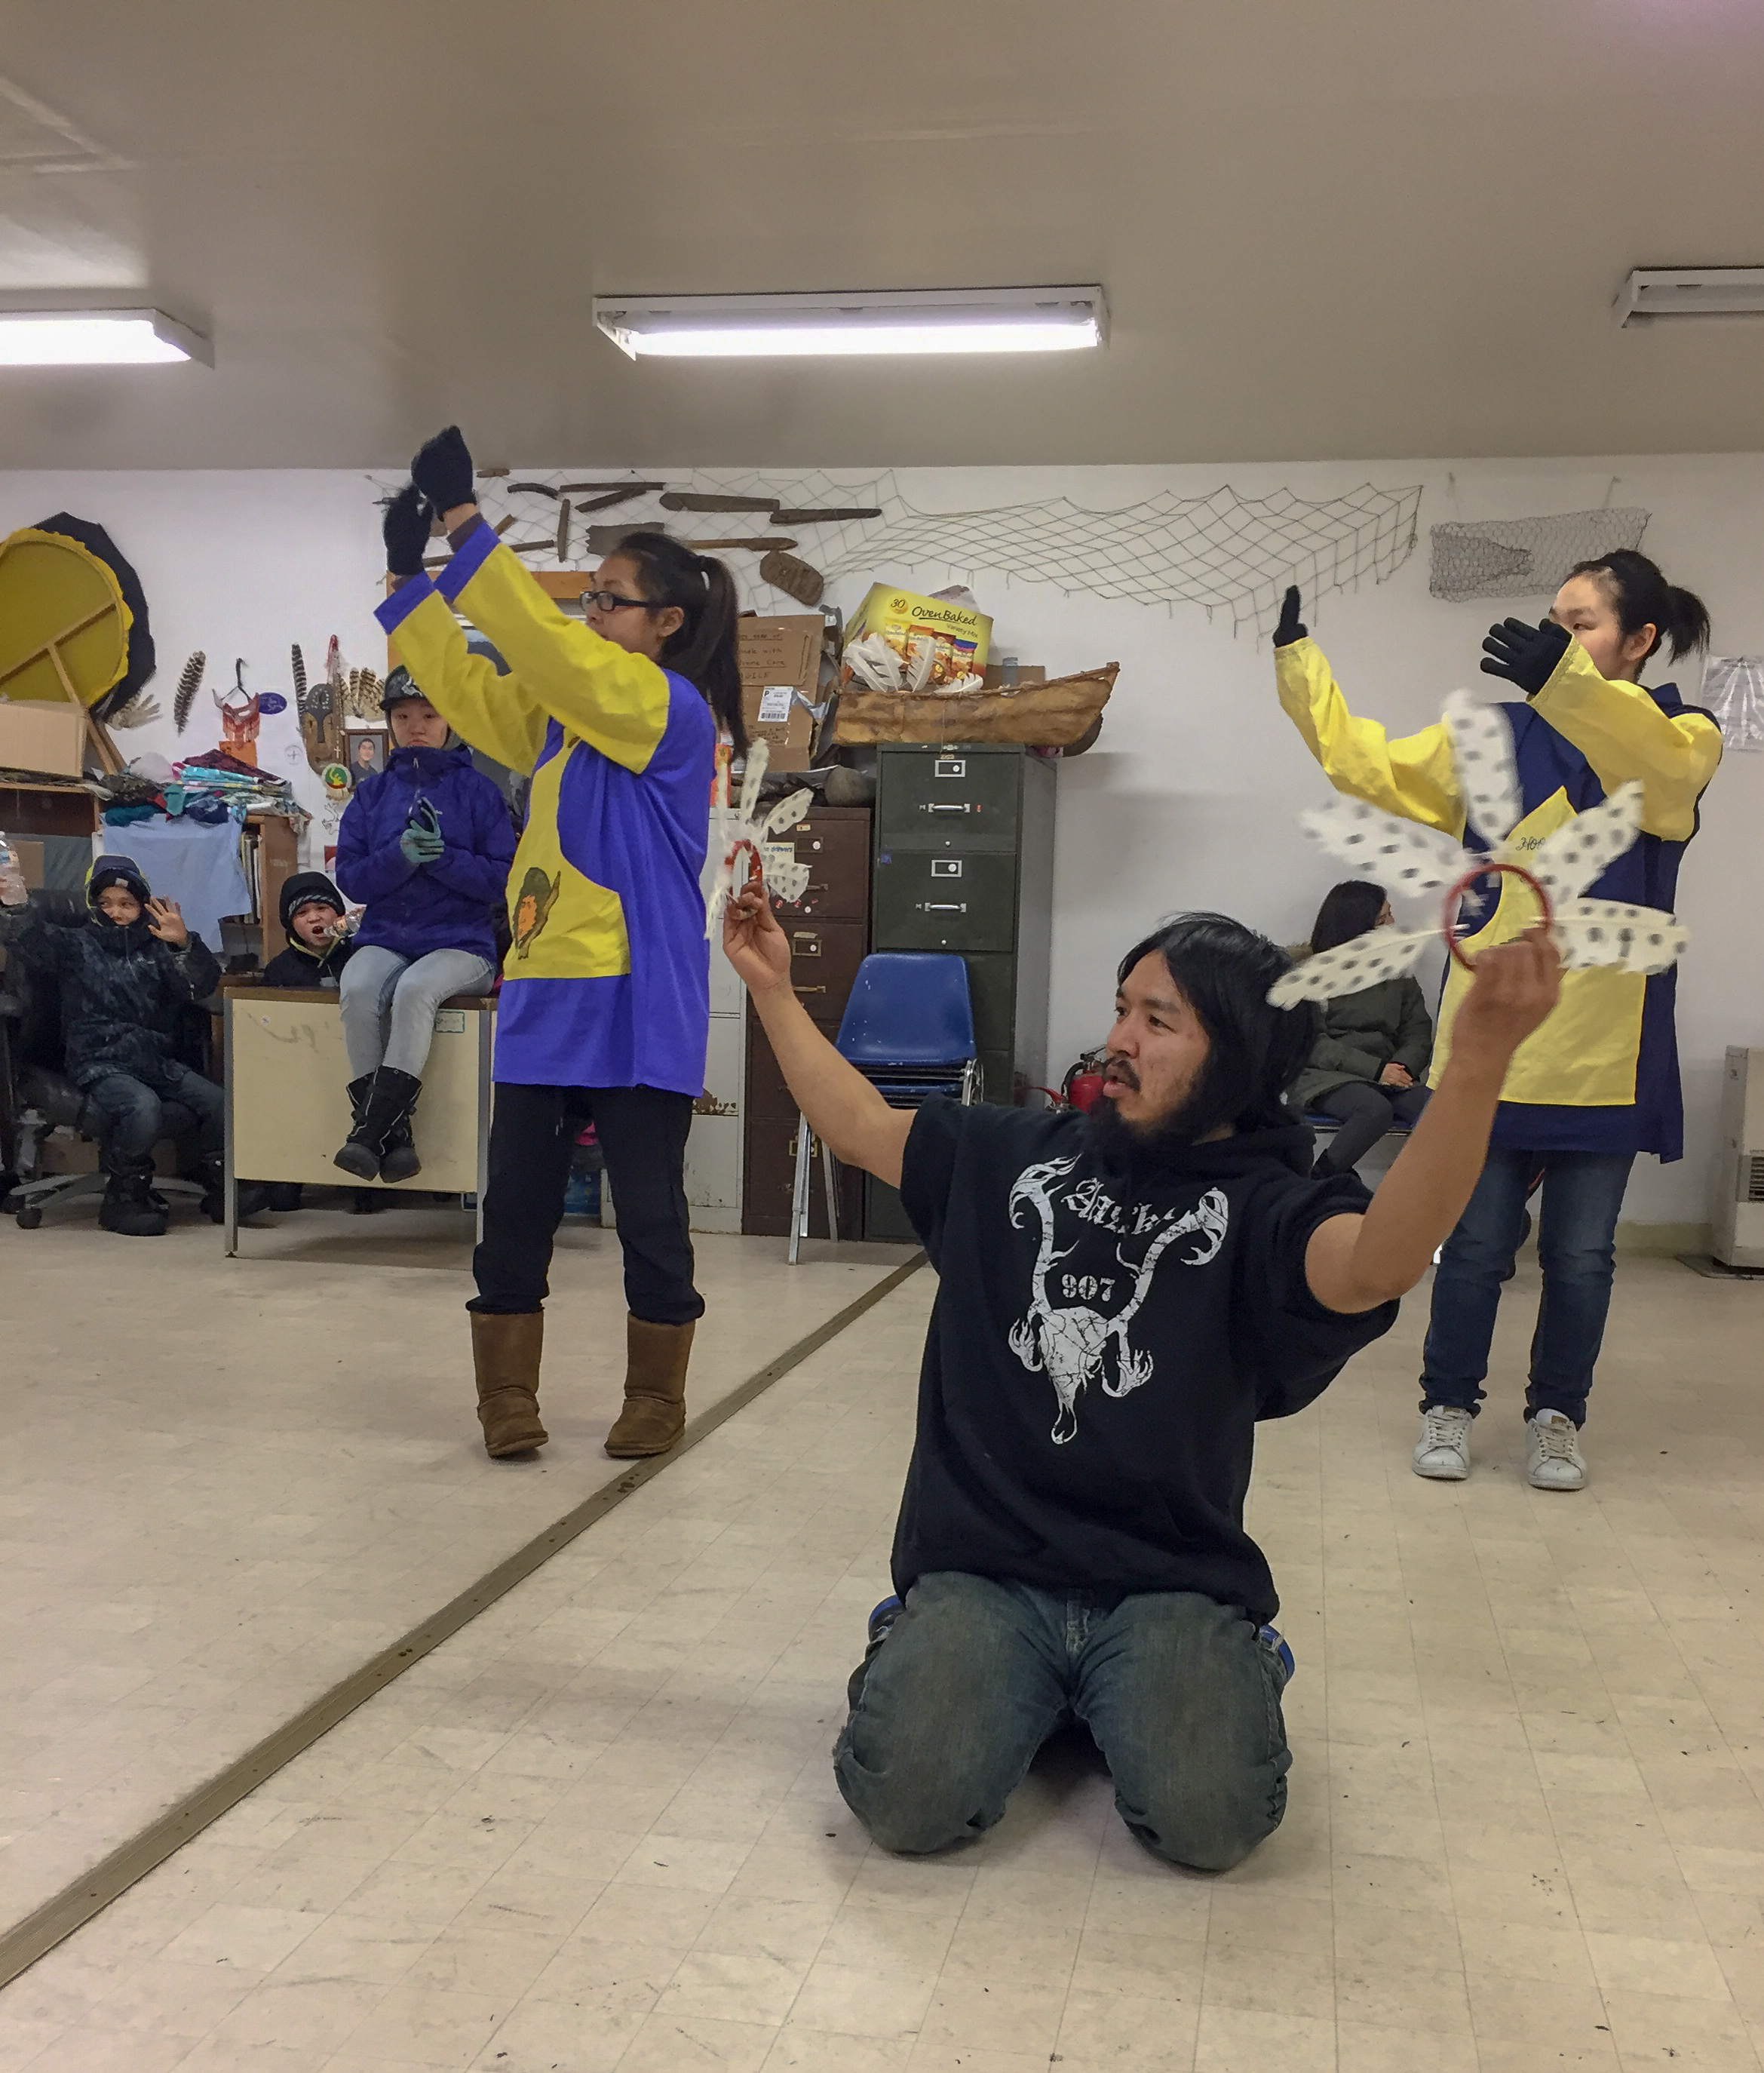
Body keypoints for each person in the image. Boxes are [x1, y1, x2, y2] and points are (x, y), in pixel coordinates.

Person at [723, 886, 1559, 1866]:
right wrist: (773, 990)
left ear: (1236, 1058)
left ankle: (1205, 1663)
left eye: (1155, 1019)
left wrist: (1476, 1065)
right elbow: (861, 1123)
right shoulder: (1010, 1157)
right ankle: (947, 1644)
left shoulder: (1268, 1205)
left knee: (1210, 1824)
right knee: (907, 1803)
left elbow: (1376, 1261)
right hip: (988, 1568)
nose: (1117, 1037)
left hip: (1165, 1579)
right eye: (1121, 1006)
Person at [1275, 552, 1720, 1491]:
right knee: (1471, 1248)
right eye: (1551, 619)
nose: (1557, 636)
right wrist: (1297, 665)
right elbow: (1367, 763)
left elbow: (1647, 760)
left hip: (1606, 1051)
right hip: (1488, 1050)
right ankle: (1446, 1407)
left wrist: (1561, 683)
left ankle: (1556, 1417)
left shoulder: (1680, 737)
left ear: (1638, 641)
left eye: (1582, 622)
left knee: (1581, 1258)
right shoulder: (1490, 738)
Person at [374, 426, 747, 1463]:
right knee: (516, 1214)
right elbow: (469, 687)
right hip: (546, 990)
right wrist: (408, 579)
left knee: (650, 1217)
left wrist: (462, 526)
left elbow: (541, 649)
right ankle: (504, 1396)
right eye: (591, 599)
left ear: (666, 624)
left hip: (634, 997)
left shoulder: (662, 708)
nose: (592, 614)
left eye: (610, 599)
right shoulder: (563, 722)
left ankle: (655, 1397)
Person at [0, 854, 267, 1235]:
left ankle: (223, 1188)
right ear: (93, 906)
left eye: (126, 904)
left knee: (217, 1102)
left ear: (142, 906)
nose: (116, 912)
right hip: (99, 1060)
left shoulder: (157, 947)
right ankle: (124, 1198)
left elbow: (199, 986)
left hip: (154, 1059)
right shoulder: (75, 945)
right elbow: (30, 940)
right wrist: (16, 905)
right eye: (105, 903)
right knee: (142, 1107)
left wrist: (183, 944)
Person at [333, 668, 517, 1185]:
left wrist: (443, 860)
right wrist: (398, 857)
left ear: (449, 721)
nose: (416, 726)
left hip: (463, 946)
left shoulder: (480, 793)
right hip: (386, 937)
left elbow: (503, 882)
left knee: (415, 991)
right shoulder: (370, 797)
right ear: (389, 723)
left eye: (429, 715)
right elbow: (352, 879)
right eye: (403, 716)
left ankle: (369, 1133)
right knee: (357, 985)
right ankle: (394, 1136)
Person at [1291, 879, 1431, 1175]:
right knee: (1374, 1110)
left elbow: (1417, 1031)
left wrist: (1402, 1066)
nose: (1393, 923)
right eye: (1383, 919)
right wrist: (1377, 1070)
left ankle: (1421, 1194)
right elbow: (1312, 1043)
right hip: (1325, 1076)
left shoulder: (1399, 975)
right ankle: (1320, 1180)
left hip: (1390, 1074)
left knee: (1437, 1110)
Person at [259, 871, 356, 991]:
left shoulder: (359, 954)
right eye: (302, 913)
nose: (314, 918)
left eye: (321, 908)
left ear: (338, 914)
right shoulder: (280, 969)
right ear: (292, 925)